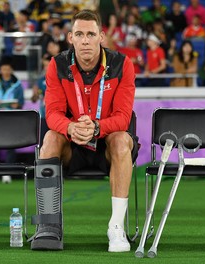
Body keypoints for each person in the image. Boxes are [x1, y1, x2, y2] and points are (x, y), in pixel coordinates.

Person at [30, 9, 138, 252]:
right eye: (79, 34)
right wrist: (70, 127)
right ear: (70, 38)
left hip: (107, 145)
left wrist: (97, 127)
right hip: (73, 144)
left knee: (122, 139)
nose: (85, 40)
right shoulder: (57, 65)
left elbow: (123, 117)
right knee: (49, 137)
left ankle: (117, 227)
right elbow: (53, 113)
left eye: (91, 34)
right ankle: (48, 226)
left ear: (102, 36)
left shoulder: (121, 64)